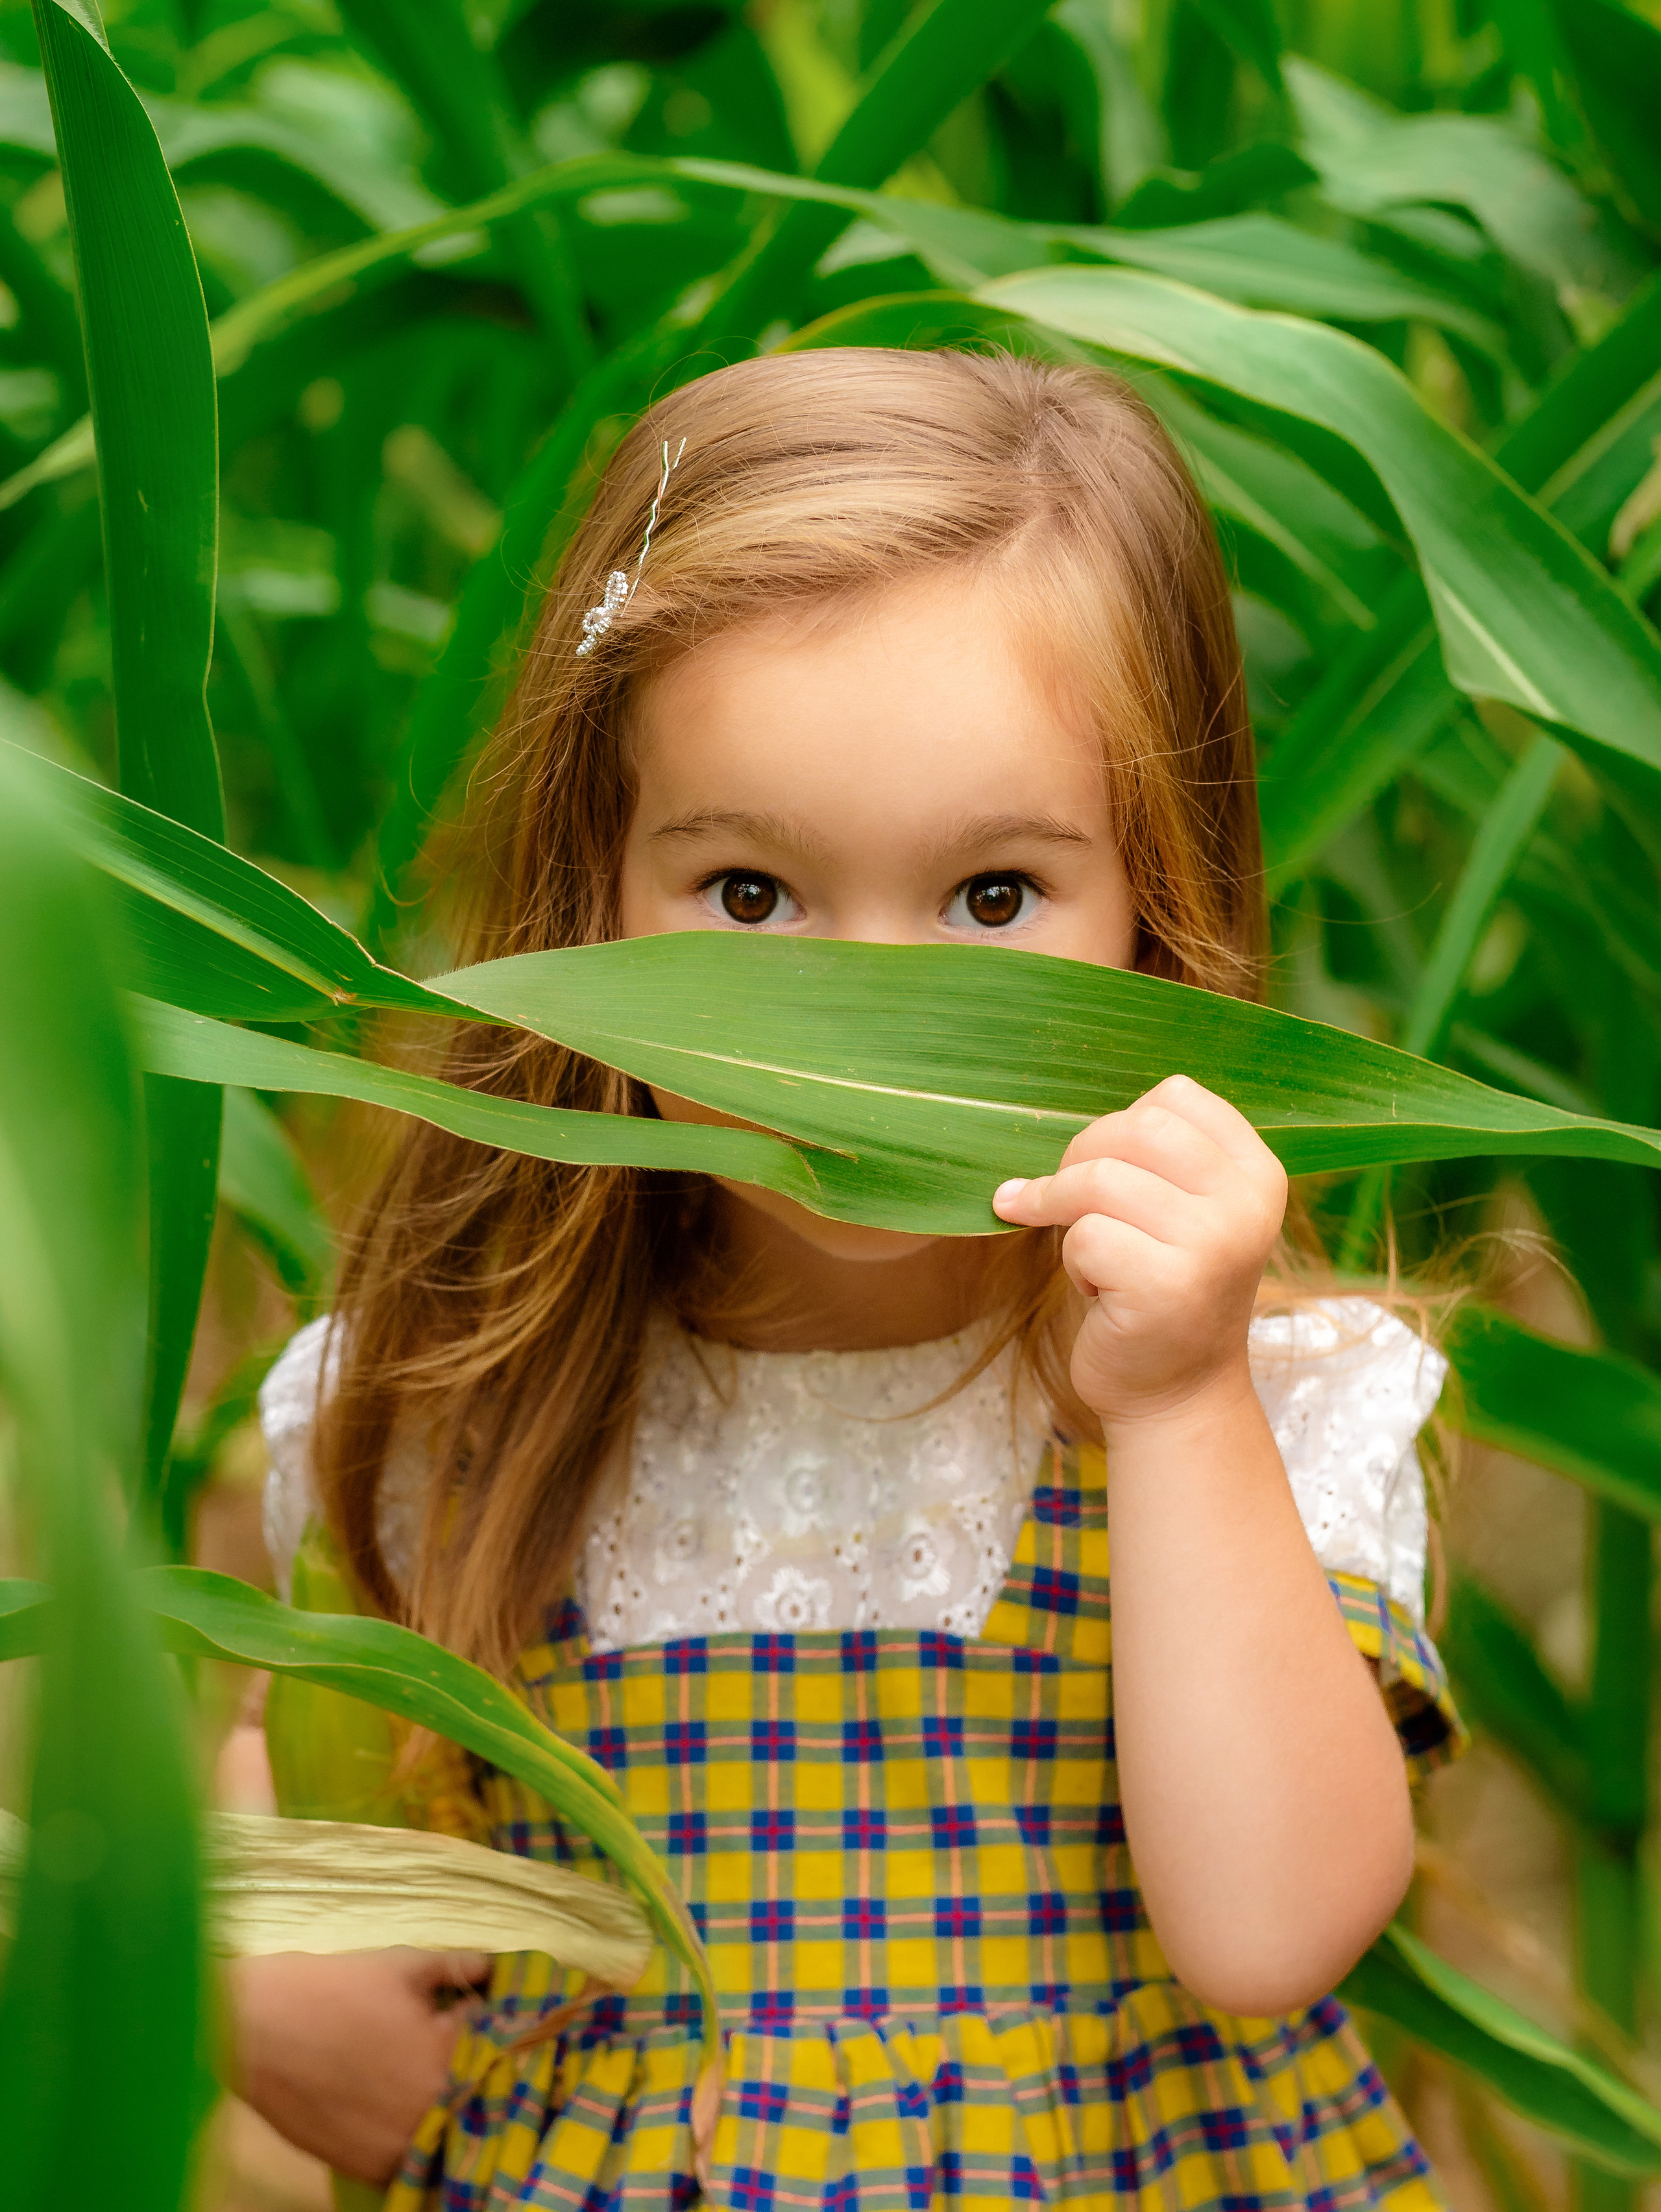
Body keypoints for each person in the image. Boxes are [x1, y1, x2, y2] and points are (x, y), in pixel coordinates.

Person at [234, 347, 1462, 2211]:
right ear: (593, 900)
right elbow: (307, 1755)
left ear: (1155, 907)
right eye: (750, 896)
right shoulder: (449, 1402)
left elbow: (1269, 1928)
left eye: (992, 899)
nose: (864, 1019)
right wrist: (251, 1972)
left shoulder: (1265, 1403)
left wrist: (1181, 1400)